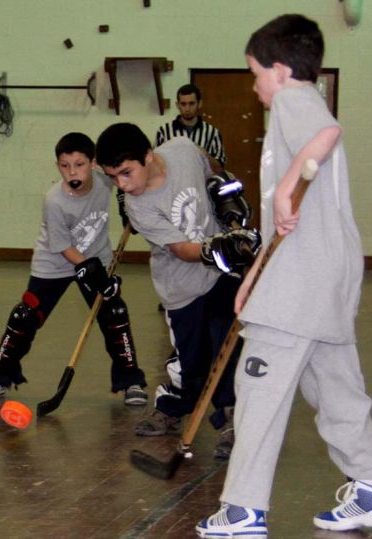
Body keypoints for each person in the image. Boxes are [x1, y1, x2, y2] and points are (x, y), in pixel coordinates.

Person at [196, 14, 372, 537]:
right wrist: (254, 280)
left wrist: (289, 186)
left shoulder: (297, 102)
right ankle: (368, 482)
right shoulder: (309, 99)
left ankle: (244, 509)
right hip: (326, 278)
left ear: (278, 69)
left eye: (254, 74)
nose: (253, 86)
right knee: (338, 391)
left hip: (300, 288)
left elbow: (327, 135)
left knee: (259, 392)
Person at [95, 123, 260, 459]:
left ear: (148, 156)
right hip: (181, 287)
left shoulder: (182, 149)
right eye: (113, 177)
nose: (122, 185)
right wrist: (219, 248)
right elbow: (183, 250)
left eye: (126, 173)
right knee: (193, 362)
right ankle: (173, 405)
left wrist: (223, 183)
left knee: (225, 348)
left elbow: (208, 161)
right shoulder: (137, 206)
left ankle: (230, 419)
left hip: (220, 277)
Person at [0, 132, 148, 406]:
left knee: (114, 312)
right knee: (24, 316)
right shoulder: (54, 200)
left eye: (79, 164)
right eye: (65, 166)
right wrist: (95, 274)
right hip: (54, 262)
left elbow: (130, 184)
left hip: (97, 257)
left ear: (93, 164)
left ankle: (131, 380)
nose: (72, 172)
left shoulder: (105, 179)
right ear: (57, 166)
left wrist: (129, 207)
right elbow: (65, 248)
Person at [156, 83, 227, 173]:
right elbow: (155, 166)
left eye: (191, 103)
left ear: (199, 103)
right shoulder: (164, 131)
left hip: (201, 185)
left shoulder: (212, 133)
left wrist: (205, 155)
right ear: (178, 105)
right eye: (183, 104)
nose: (187, 108)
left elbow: (219, 169)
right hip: (174, 185)